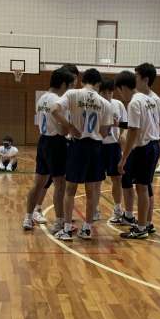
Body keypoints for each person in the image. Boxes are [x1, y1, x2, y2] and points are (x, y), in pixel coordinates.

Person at [51, 68, 113, 241]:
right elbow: (104, 132)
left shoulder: (73, 94)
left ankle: (67, 229)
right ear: (98, 84)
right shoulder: (105, 103)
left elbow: (54, 110)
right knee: (91, 191)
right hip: (96, 148)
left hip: (77, 146)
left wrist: (70, 126)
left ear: (82, 81)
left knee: (70, 189)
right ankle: (87, 228)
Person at [115, 64, 160, 239]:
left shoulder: (135, 102)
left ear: (123, 88)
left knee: (141, 188)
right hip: (153, 146)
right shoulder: (150, 99)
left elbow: (133, 131)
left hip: (144, 148)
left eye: (119, 92)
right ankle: (144, 224)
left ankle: (141, 228)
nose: (121, 96)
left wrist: (124, 158)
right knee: (144, 187)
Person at [23, 67, 76, 231]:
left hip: (43, 141)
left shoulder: (42, 99)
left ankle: (28, 218)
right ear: (63, 84)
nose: (69, 90)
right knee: (60, 185)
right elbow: (63, 131)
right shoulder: (59, 102)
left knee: (38, 183)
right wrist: (71, 128)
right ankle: (59, 222)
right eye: (69, 86)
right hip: (56, 143)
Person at [93, 78, 127, 223]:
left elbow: (125, 125)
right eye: (104, 92)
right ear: (99, 92)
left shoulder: (118, 104)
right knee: (96, 181)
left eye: (110, 92)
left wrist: (122, 134)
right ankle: (94, 209)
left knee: (117, 179)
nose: (108, 95)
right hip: (98, 145)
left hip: (113, 146)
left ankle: (118, 209)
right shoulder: (95, 105)